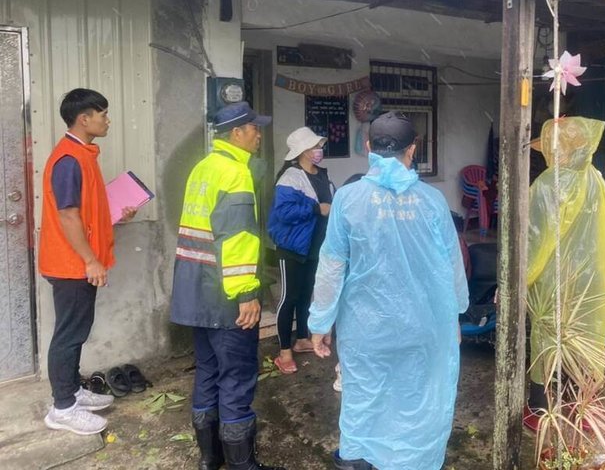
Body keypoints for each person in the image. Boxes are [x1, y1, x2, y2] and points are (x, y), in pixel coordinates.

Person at [308, 111, 469, 470]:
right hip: (424, 327)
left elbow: (332, 266)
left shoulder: (348, 199)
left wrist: (320, 323)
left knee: (364, 397)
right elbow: (452, 266)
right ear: (413, 149)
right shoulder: (432, 201)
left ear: (368, 148)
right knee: (417, 399)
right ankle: (413, 461)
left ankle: (360, 460)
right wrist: (455, 316)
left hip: (367, 331)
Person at [170, 102, 284, 470]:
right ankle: (241, 465)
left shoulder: (202, 169)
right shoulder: (236, 173)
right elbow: (236, 238)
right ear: (236, 133)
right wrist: (247, 294)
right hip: (225, 295)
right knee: (236, 378)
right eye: (253, 128)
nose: (259, 134)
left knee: (207, 371)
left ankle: (210, 459)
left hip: (195, 292)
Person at [39, 88, 136, 435]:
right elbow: (67, 216)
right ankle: (62, 408)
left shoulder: (83, 155)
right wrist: (90, 260)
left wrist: (115, 216)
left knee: (76, 331)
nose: (107, 120)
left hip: (77, 262)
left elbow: (84, 211)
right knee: (69, 334)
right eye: (103, 114)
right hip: (71, 264)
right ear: (84, 118)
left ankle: (72, 392)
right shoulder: (69, 159)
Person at [524, 117, 605, 431]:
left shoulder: (548, 185)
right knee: (585, 337)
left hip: (553, 277)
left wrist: (520, 279)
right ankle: (584, 407)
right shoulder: (597, 178)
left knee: (548, 338)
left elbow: (535, 241)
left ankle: (541, 408)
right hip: (589, 275)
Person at [267, 126, 334, 375]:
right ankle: (284, 352)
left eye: (319, 146)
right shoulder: (290, 178)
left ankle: (303, 338)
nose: (319, 150)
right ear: (303, 151)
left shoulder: (323, 176)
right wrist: (316, 209)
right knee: (289, 298)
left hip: (315, 247)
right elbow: (282, 213)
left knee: (307, 295)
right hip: (292, 247)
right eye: (315, 146)